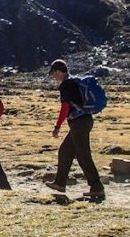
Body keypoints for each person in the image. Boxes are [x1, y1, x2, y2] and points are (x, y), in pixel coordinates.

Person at [45, 59, 105, 199]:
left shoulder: (66, 85)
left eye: (54, 73)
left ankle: (97, 187)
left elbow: (65, 107)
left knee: (83, 154)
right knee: (65, 151)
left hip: (79, 123)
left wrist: (57, 126)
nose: (53, 77)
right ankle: (60, 183)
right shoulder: (72, 83)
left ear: (59, 71)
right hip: (82, 121)